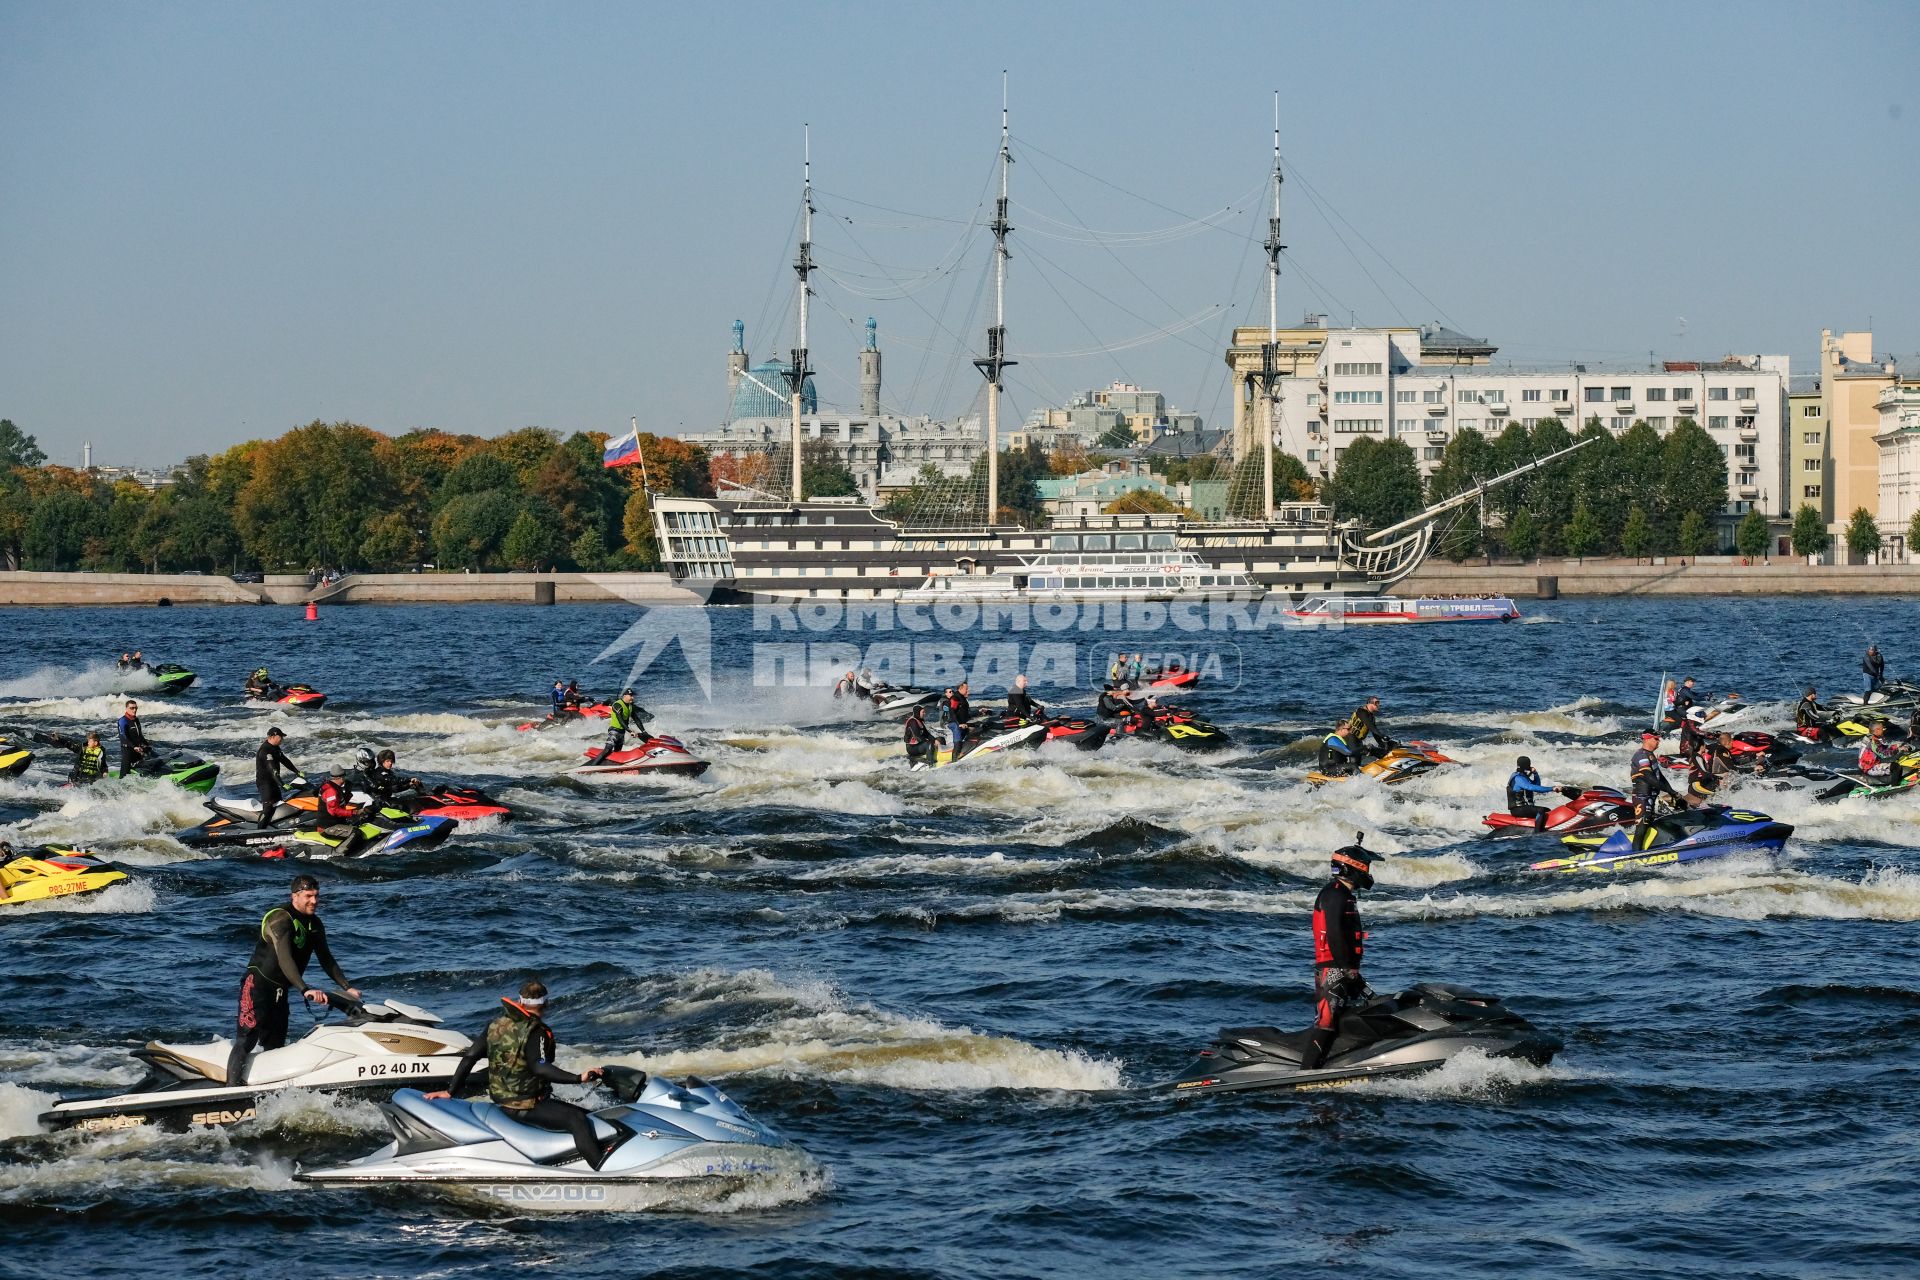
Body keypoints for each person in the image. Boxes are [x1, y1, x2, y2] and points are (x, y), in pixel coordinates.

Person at [426, 979, 610, 1170]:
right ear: (546, 1004)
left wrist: (450, 1091)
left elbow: (469, 1057)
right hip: (526, 1105)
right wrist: (578, 1078)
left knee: (591, 1116)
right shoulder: (536, 1031)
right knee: (577, 1120)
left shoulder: (495, 1024)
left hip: (504, 1102)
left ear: (520, 1002)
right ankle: (606, 1174)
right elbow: (540, 1067)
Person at [224, 874, 360, 1085]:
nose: (314, 901)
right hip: (257, 987)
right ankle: (229, 1092)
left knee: (276, 1045)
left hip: (280, 992)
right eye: (308, 896)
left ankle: (268, 1089)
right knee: (247, 1039)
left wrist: (347, 987)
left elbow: (326, 958)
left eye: (316, 896)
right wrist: (304, 989)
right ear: (294, 896)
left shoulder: (314, 924)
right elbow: (284, 957)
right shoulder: (279, 918)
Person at [1299, 836, 1383, 1070]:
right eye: (1367, 867)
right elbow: (1334, 933)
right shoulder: (1335, 894)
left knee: (1364, 1009)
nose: (1369, 873)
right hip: (1333, 969)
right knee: (1326, 1023)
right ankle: (1307, 1072)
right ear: (1355, 868)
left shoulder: (1342, 894)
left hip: (1343, 968)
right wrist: (1347, 969)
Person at [1630, 729, 1681, 847]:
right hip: (1642, 797)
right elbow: (1649, 777)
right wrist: (1670, 791)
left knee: (1651, 823)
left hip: (1651, 796)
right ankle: (1635, 856)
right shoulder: (1641, 755)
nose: (1659, 742)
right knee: (1642, 826)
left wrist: (1673, 793)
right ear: (1647, 739)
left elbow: (1660, 777)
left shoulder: (1650, 755)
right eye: (1656, 739)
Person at [315, 764, 372, 857]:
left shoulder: (336, 788)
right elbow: (333, 811)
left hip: (336, 823)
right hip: (327, 828)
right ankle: (339, 854)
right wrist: (355, 812)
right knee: (355, 832)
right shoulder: (331, 791)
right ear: (340, 777)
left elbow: (341, 804)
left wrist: (348, 792)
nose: (345, 779)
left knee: (359, 822)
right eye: (344, 776)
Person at [1506, 755, 1573, 831]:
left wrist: (1535, 773)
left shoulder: (1523, 777)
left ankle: (1548, 829)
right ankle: (1537, 834)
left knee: (1547, 810)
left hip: (1524, 808)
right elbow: (1531, 787)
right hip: (1518, 809)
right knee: (1540, 811)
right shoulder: (1518, 778)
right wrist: (1552, 788)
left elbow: (1537, 785)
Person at [254, 726, 300, 826]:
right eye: (280, 737)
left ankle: (275, 827)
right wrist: (282, 784)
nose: (282, 739)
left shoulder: (275, 748)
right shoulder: (265, 751)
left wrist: (297, 771)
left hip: (273, 782)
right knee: (268, 807)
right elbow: (272, 770)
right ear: (273, 736)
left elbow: (285, 760)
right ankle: (259, 831)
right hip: (265, 783)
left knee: (279, 804)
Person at [1685, 733, 1735, 807]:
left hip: (1697, 784)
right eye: (1705, 745)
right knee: (1717, 796)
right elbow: (1704, 772)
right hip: (1696, 785)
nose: (1706, 747)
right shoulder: (1696, 757)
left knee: (1698, 804)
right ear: (1701, 747)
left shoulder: (1696, 756)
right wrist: (1719, 777)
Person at [1858, 721, 1909, 788]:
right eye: (1882, 729)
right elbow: (1885, 754)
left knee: (1892, 763)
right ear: (1877, 730)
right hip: (1869, 767)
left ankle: (1892, 782)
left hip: (1868, 763)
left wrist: (1897, 746)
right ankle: (1894, 787)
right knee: (1895, 767)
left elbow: (1882, 748)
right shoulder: (1873, 741)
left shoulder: (1868, 737)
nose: (1883, 730)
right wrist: (1900, 749)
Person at [602, 689, 651, 757]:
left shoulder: (630, 706)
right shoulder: (617, 705)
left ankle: (615, 766)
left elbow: (637, 720)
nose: (632, 697)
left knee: (618, 752)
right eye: (630, 695)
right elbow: (621, 721)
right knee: (607, 750)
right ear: (625, 696)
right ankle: (592, 767)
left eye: (633, 696)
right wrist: (630, 731)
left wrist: (644, 731)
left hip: (622, 732)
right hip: (614, 731)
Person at [1344, 696, 1395, 760]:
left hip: (1358, 740)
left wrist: (1382, 745)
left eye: (1379, 703)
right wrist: (1382, 735)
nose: (1378, 705)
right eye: (1376, 703)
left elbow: (1374, 732)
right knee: (1356, 760)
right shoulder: (1361, 711)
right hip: (1350, 738)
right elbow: (1371, 726)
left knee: (1358, 761)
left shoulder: (1371, 716)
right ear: (1370, 703)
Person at [116, 699, 152, 778]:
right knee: (124, 774)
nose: (134, 710)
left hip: (137, 749)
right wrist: (133, 746)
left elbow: (140, 735)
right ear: (126, 709)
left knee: (145, 766)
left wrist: (146, 744)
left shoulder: (136, 720)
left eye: (136, 708)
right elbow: (123, 737)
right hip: (128, 750)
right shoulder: (123, 721)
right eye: (132, 708)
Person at [941, 682, 972, 749]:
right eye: (949, 692)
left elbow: (964, 713)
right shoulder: (950, 701)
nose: (951, 692)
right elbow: (951, 712)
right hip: (953, 723)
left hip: (960, 722)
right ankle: (955, 757)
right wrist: (958, 724)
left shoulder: (961, 698)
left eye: (952, 691)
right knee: (957, 742)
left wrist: (979, 712)